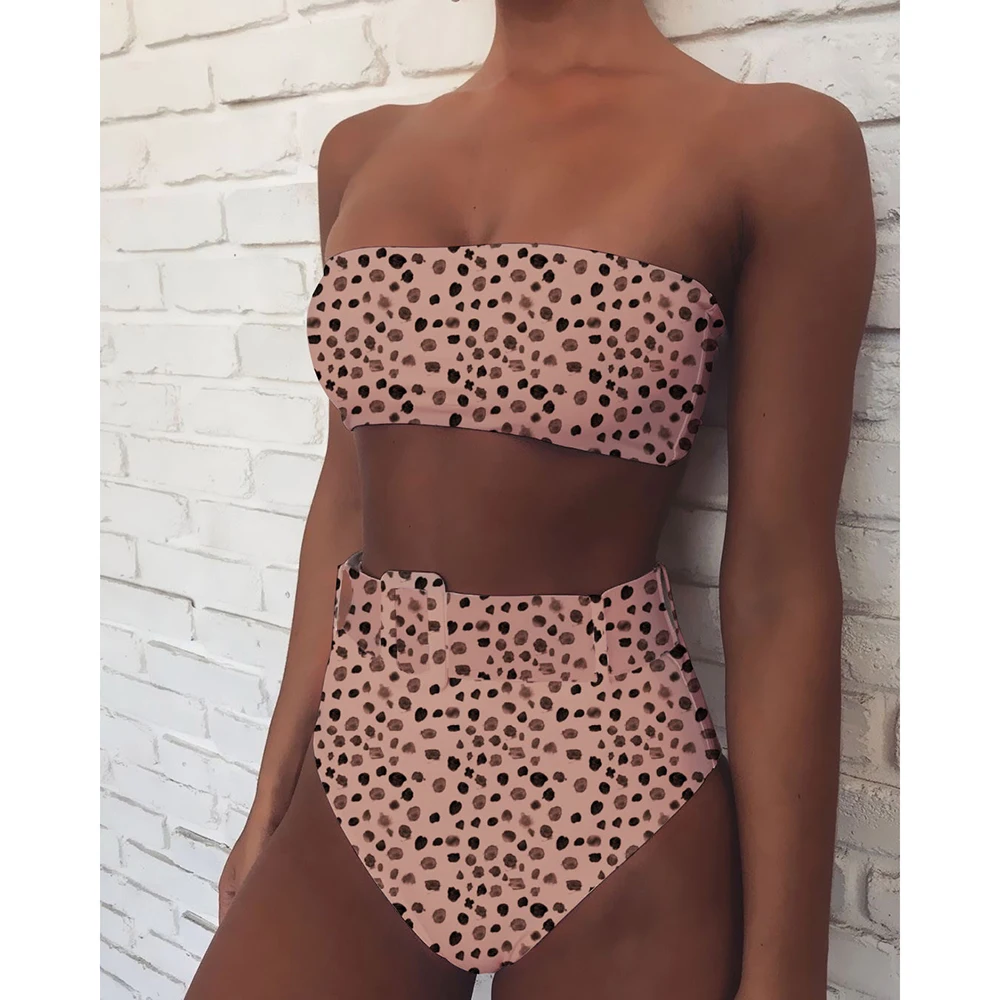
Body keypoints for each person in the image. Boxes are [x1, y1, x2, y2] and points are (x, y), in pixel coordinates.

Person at [183, 2, 875, 998]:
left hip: (612, 785)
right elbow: (348, 497)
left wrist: (784, 977)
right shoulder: (362, 153)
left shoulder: (774, 144)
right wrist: (270, 797)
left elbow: (778, 579)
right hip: (371, 758)